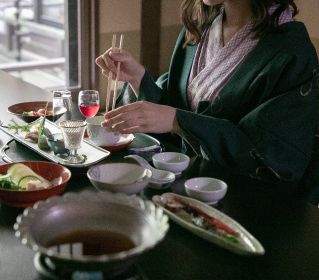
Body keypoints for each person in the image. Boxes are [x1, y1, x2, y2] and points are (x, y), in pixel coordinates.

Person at [96, 0, 319, 204]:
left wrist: (178, 120)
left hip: (246, 207)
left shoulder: (292, 52)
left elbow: (274, 157)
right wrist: (138, 78)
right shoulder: (197, 31)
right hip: (183, 194)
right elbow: (173, 114)